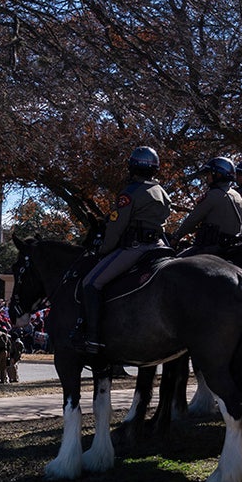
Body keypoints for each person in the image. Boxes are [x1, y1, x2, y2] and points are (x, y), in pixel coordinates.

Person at [76, 146, 172, 354]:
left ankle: (92, 338)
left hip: (136, 248)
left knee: (91, 283)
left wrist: (104, 249)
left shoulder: (130, 193)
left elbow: (116, 227)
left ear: (132, 167)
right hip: (160, 247)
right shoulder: (163, 192)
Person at [171, 156, 242, 255]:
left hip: (209, 248)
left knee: (174, 262)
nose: (207, 177)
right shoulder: (240, 199)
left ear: (218, 174)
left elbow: (193, 220)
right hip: (232, 250)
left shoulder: (213, 194)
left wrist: (176, 237)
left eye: (209, 174)